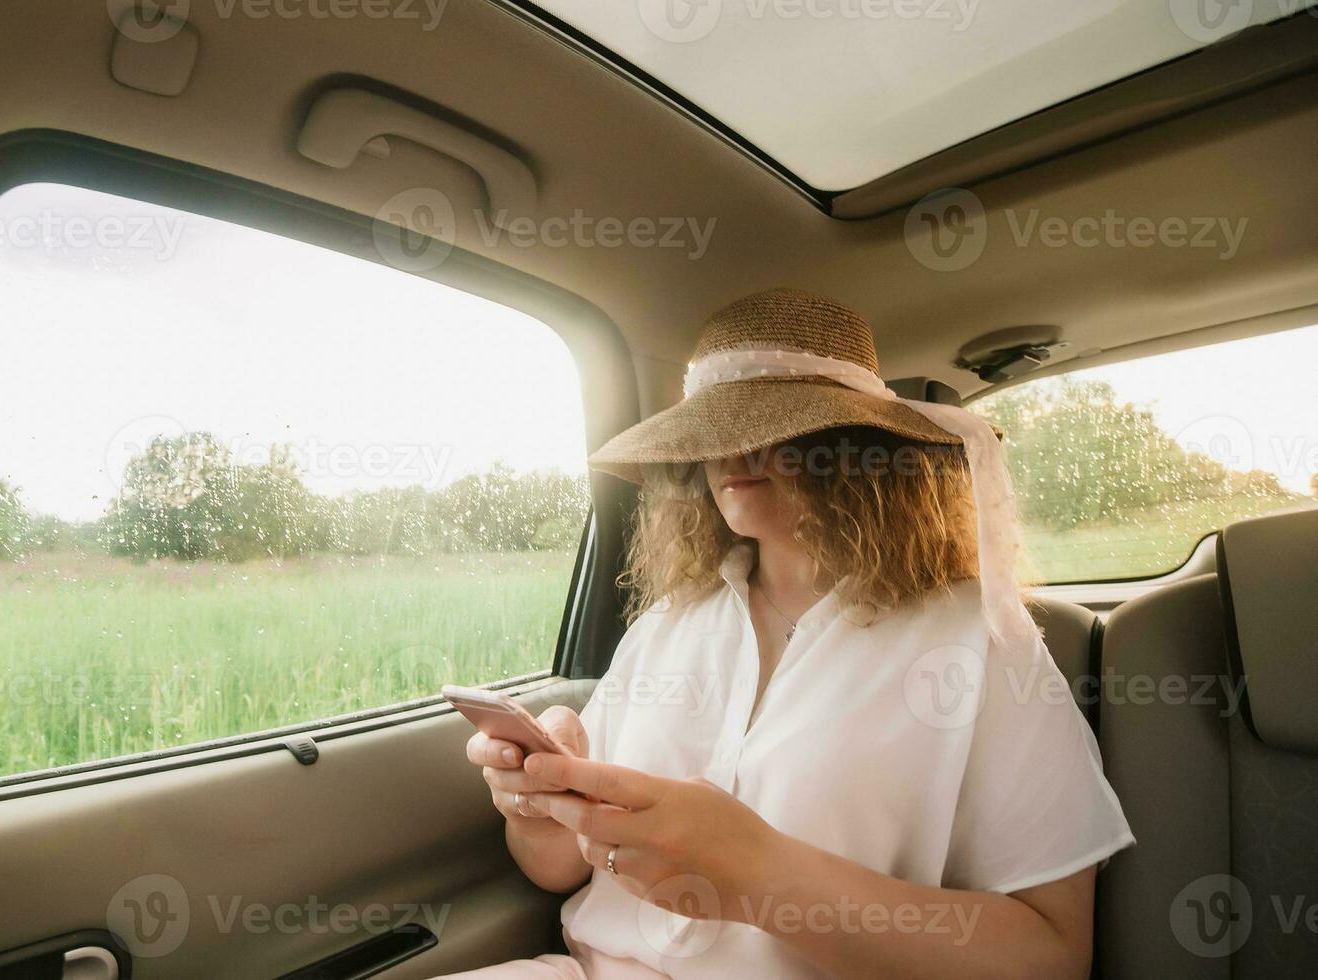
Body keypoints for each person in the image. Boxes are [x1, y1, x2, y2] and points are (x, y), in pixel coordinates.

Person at [444, 289, 1132, 979]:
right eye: (715, 427)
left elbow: (1052, 955)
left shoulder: (977, 639)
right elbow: (558, 865)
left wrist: (763, 875)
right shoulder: (665, 626)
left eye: (780, 423)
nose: (736, 448)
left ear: (861, 448)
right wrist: (533, 803)